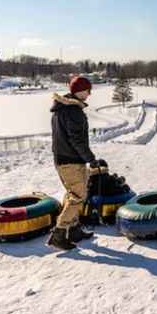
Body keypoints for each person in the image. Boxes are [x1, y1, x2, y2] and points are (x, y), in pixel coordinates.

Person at [47, 75, 100, 250]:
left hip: (62, 158)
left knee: (74, 194)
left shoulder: (61, 108)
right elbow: (77, 140)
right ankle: (59, 233)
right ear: (81, 91)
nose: (89, 94)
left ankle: (74, 228)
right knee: (77, 196)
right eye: (88, 90)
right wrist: (90, 159)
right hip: (71, 160)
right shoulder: (73, 111)